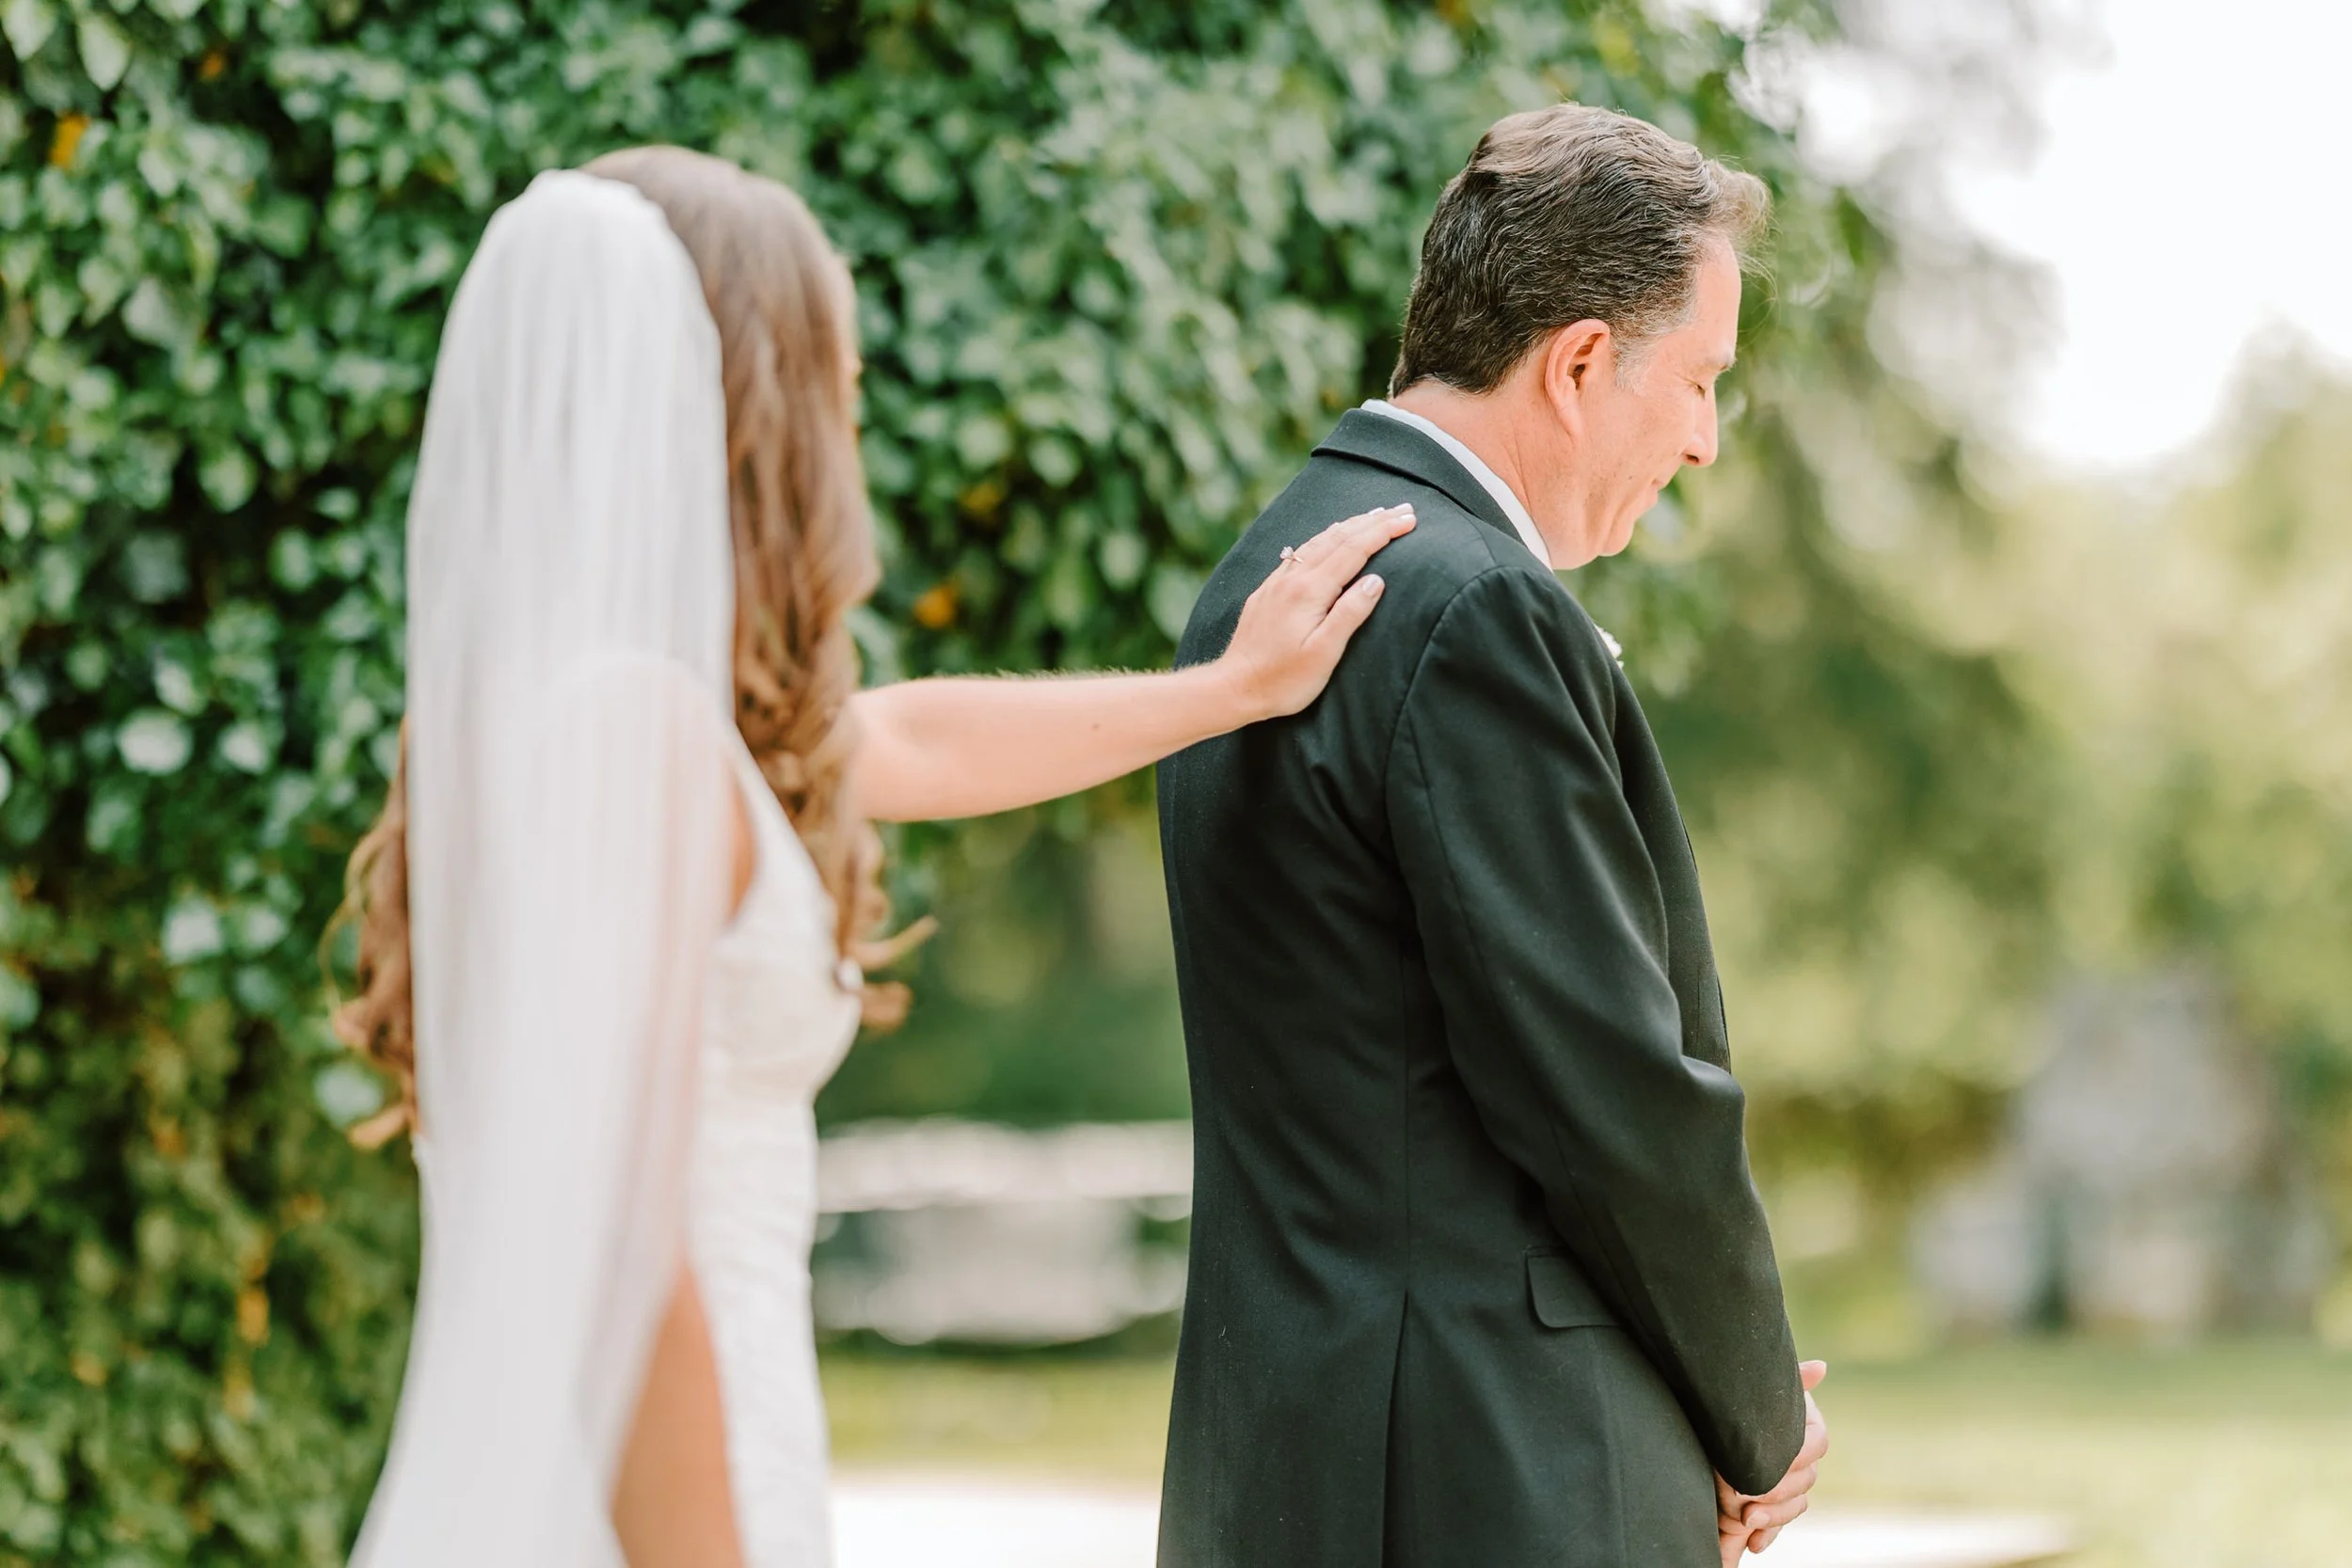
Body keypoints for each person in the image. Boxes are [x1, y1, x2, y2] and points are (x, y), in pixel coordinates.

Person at [329, 149, 1413, 1567]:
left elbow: (917, 744)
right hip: (662, 1505)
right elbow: (629, 1255)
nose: (852, 422)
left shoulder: (608, 723)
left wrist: (1224, 692)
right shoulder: (638, 735)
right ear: (751, 417)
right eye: (836, 383)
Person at [1156, 103, 1829, 1568]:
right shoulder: (1478, 608)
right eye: (1700, 381)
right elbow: (1612, 1096)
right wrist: (1762, 1416)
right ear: (1581, 364)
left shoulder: (1260, 578)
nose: (1706, 441)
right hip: (1490, 1472)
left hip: (1284, 1455)